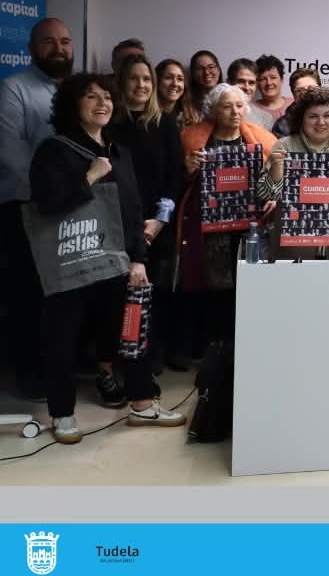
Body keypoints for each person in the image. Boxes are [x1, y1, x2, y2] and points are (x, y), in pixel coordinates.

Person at [30, 73, 184, 443]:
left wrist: (139, 258)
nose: (102, 103)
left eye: (106, 97)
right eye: (90, 97)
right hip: (70, 260)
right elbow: (48, 203)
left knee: (132, 332)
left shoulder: (119, 151)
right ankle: (63, 414)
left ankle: (143, 404)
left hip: (116, 259)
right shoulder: (55, 150)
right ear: (72, 104)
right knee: (62, 337)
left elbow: (130, 210)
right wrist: (90, 176)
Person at [0, 17, 73, 401]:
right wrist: (57, 192)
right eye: (49, 42)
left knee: (61, 298)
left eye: (64, 41)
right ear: (31, 48)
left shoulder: (77, 91)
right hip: (26, 207)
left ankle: (58, 367)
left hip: (72, 209)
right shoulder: (14, 90)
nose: (58, 49)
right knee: (28, 294)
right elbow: (13, 155)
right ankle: (28, 372)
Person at [178, 85, 276, 342]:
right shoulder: (192, 139)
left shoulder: (263, 140)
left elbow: (277, 183)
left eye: (240, 105)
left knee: (250, 287)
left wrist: (274, 200)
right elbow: (176, 184)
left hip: (251, 229)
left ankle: (246, 345)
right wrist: (187, 170)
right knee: (216, 292)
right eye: (226, 106)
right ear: (213, 109)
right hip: (211, 230)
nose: (235, 111)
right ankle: (217, 350)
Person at [110, 55, 184, 371]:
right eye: (134, 79)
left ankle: (150, 355)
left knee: (157, 293)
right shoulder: (111, 123)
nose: (141, 85)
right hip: (117, 222)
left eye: (146, 80)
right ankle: (118, 357)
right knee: (116, 294)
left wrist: (159, 220)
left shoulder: (164, 123)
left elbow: (176, 174)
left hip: (157, 224)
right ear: (122, 83)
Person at [258, 87, 329, 259]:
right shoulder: (284, 147)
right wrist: (276, 170)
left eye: (327, 115)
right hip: (293, 246)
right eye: (313, 116)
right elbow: (265, 194)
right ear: (301, 119)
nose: (320, 122)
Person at [271, 67, 321, 138]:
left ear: (321, 91)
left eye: (312, 89)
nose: (307, 94)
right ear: (293, 95)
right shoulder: (282, 126)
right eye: (300, 91)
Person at [227, 58, 274, 131]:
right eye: (241, 81)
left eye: (251, 83)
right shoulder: (216, 114)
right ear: (229, 83)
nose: (247, 87)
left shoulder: (266, 119)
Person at [155, 58, 201, 129]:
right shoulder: (145, 116)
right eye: (168, 78)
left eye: (180, 79)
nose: (175, 84)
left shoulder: (192, 117)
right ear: (157, 81)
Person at [253, 54, 293, 125]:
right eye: (262, 79)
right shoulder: (250, 110)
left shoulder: (294, 104)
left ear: (282, 79)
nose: (269, 83)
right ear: (257, 83)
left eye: (273, 77)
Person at [189, 50, 222, 114]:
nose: (206, 72)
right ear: (193, 73)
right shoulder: (186, 102)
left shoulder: (231, 95)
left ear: (218, 69)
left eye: (211, 67)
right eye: (200, 68)